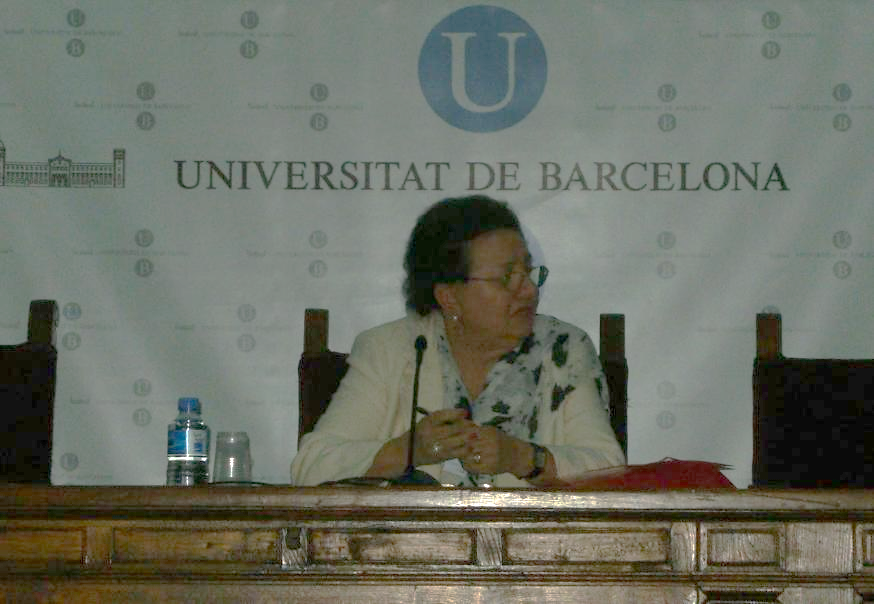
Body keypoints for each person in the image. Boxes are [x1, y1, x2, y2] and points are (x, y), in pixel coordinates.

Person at [291, 195, 625, 487]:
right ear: (449, 297)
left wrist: (523, 458)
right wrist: (408, 450)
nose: (528, 290)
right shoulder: (390, 349)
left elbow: (610, 469)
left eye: (527, 271)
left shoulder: (562, 348)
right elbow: (311, 467)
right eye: (507, 277)